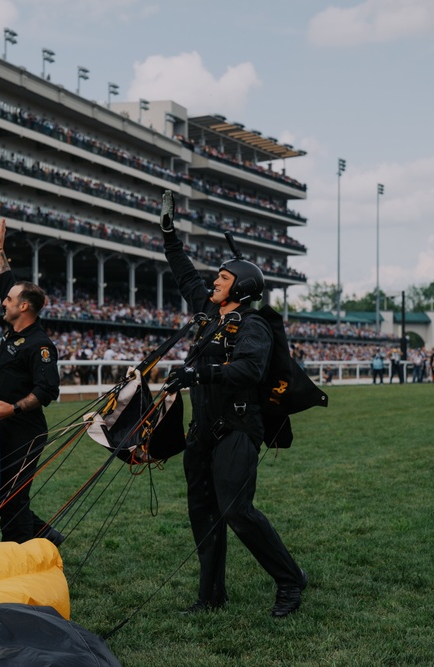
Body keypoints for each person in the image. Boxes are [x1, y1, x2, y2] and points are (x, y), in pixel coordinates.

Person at [158, 191, 308, 618]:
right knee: (202, 512)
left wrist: (198, 374)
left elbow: (249, 371)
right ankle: (210, 596)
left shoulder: (254, 325)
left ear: (239, 288)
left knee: (237, 511)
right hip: (202, 431)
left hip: (239, 429)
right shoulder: (207, 312)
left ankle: (290, 580)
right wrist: (170, 236)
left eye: (222, 278)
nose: (213, 283)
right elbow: (184, 272)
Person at [0, 219, 63, 545]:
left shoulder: (40, 344)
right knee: (1, 494)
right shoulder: (14, 328)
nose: (3, 301)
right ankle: (47, 536)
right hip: (3, 427)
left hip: (25, 432)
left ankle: (17, 559)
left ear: (24, 307)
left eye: (10, 299)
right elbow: (5, 281)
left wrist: (14, 409)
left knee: (13, 499)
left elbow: (47, 390)